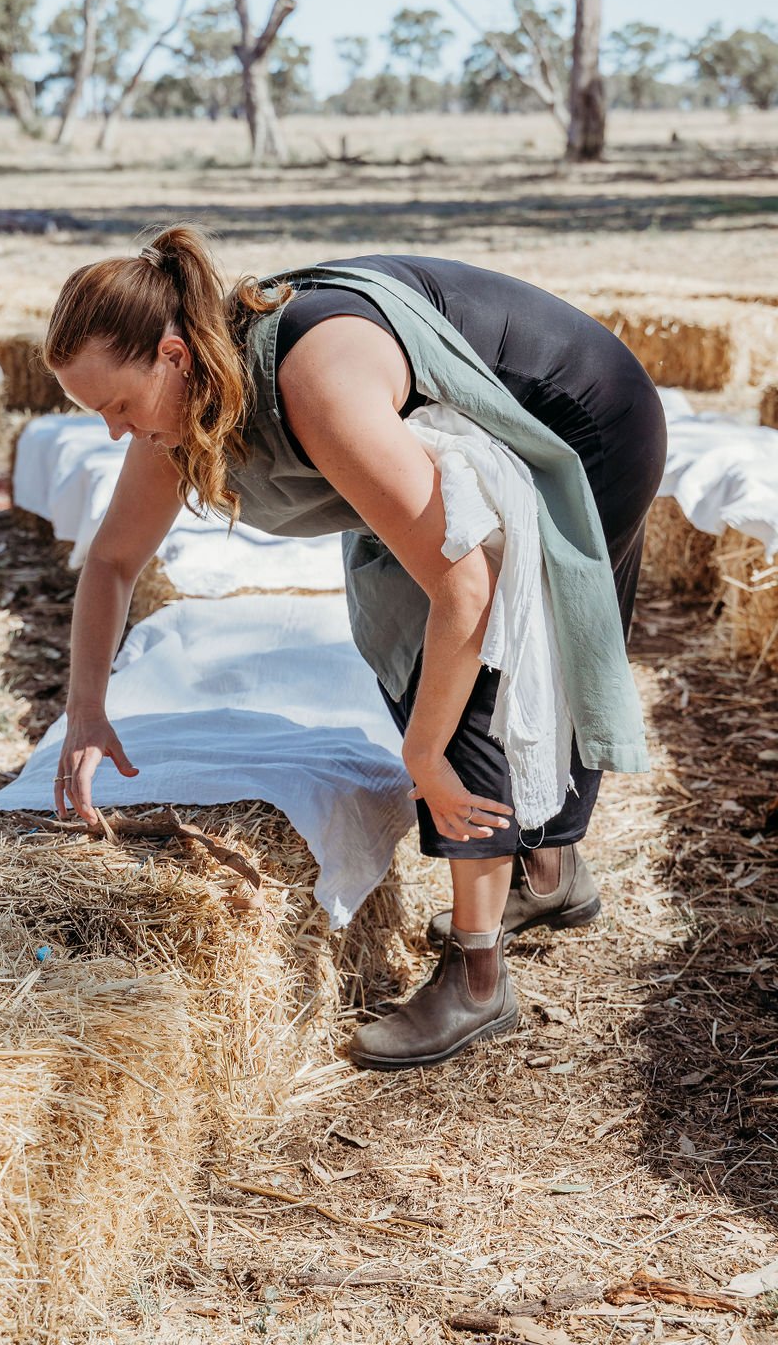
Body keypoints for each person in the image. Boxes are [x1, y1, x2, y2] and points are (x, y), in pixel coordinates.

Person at [42, 225, 668, 1071]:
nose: (116, 434)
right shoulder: (176, 413)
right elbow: (113, 561)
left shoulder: (313, 379)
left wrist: (424, 753)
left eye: (116, 407)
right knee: (413, 623)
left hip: (588, 416)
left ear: (172, 357)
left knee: (484, 668)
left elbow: (467, 589)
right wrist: (85, 710)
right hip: (505, 413)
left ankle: (478, 981)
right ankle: (550, 876)